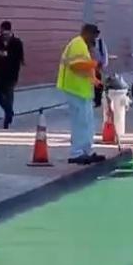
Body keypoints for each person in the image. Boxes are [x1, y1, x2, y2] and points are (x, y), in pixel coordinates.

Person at [57, 24, 106, 165]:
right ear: (87, 33)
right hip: (74, 89)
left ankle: (86, 150)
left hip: (82, 90)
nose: (94, 40)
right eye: (93, 36)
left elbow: (82, 69)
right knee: (80, 122)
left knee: (87, 122)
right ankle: (77, 152)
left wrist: (94, 80)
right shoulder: (78, 44)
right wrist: (94, 63)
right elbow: (76, 66)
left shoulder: (83, 45)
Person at [0, 21, 25, 129]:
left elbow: (20, 58)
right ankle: (9, 111)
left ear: (10, 32)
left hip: (11, 73)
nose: (3, 36)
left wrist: (6, 54)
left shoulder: (17, 42)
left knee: (9, 94)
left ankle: (7, 119)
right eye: (2, 33)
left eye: (5, 34)